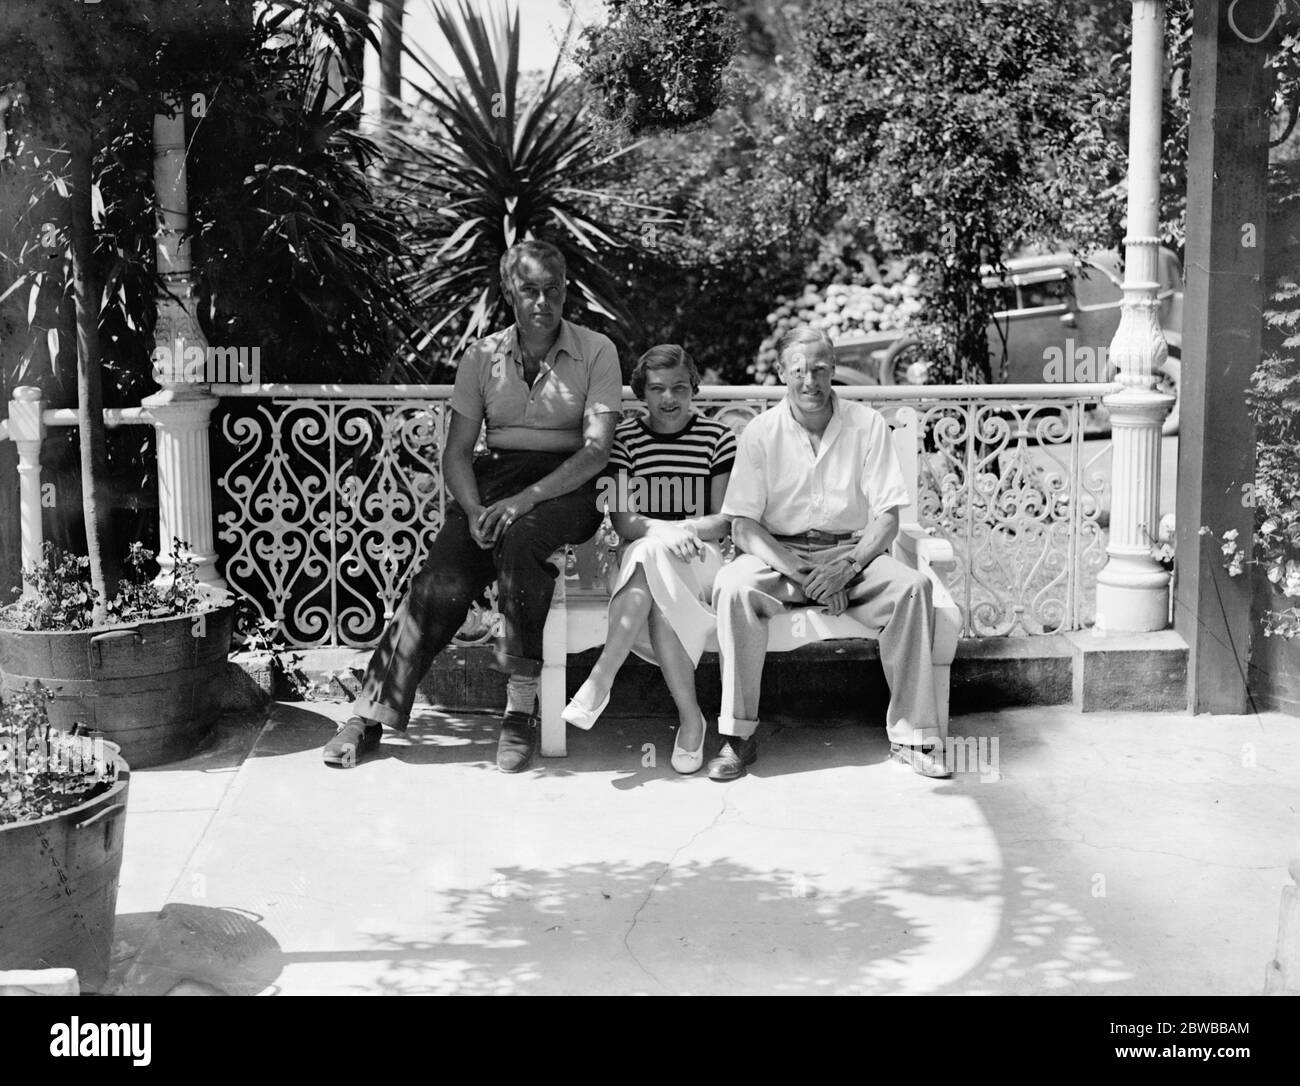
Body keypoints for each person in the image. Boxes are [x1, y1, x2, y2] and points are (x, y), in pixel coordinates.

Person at [323, 239, 621, 773]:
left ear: (566, 291)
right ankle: (368, 713)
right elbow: (457, 452)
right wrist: (476, 507)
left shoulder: (597, 350)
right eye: (529, 290)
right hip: (493, 480)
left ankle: (520, 709)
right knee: (442, 579)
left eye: (552, 290)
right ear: (510, 292)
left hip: (567, 484)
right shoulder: (482, 357)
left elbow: (597, 450)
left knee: (523, 539)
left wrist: (524, 500)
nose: (542, 302)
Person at [706, 326, 951, 781]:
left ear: (834, 370)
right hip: (782, 556)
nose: (810, 381)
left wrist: (849, 567)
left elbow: (887, 519)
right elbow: (742, 525)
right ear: (781, 373)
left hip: (852, 554)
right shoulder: (761, 432)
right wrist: (802, 573)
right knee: (733, 586)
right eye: (798, 370)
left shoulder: (867, 425)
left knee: (913, 588)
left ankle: (912, 736)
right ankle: (738, 736)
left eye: (820, 369)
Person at [561, 345, 735, 773]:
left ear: (693, 388)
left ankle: (601, 679)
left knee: (650, 552)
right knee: (650, 557)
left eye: (679, 387)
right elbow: (623, 520)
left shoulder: (718, 438)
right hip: (643, 557)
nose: (669, 398)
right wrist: (662, 530)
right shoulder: (627, 440)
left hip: (701, 560)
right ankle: (691, 720)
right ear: (642, 394)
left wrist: (682, 530)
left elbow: (724, 520)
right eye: (657, 389)